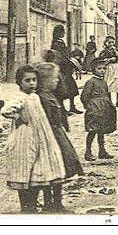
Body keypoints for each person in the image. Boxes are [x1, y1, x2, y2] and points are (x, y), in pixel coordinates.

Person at [0, 65, 66, 213]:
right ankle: (27, 207)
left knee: (38, 170)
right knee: (24, 169)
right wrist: (18, 116)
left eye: (34, 80)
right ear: (19, 82)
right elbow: (5, 110)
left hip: (41, 136)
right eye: (27, 80)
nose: (31, 83)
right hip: (25, 137)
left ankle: (33, 205)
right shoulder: (20, 97)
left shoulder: (35, 96)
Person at [34, 61, 84, 213]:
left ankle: (56, 202)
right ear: (45, 81)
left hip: (57, 134)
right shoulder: (41, 98)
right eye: (54, 78)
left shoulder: (50, 95)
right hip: (50, 137)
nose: (57, 81)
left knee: (59, 169)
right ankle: (51, 203)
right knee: (52, 169)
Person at [80, 59, 117, 161]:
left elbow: (107, 95)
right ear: (93, 70)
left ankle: (102, 151)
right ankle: (88, 152)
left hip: (104, 110)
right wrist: (89, 106)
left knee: (101, 131)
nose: (102, 71)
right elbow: (84, 96)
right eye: (99, 68)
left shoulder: (104, 82)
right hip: (94, 110)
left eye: (104, 68)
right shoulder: (91, 82)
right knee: (92, 131)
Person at [50, 25, 82, 115]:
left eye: (63, 31)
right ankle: (62, 109)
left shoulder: (61, 42)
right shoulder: (55, 43)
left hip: (66, 69)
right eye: (61, 32)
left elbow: (66, 54)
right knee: (62, 90)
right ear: (56, 33)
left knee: (72, 88)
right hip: (61, 69)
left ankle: (72, 106)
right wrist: (67, 62)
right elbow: (58, 56)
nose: (63, 33)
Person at [96, 36, 118, 107]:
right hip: (109, 68)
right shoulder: (104, 52)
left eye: (112, 42)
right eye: (109, 42)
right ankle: (109, 101)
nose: (111, 44)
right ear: (105, 43)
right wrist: (109, 60)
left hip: (116, 67)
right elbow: (101, 60)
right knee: (108, 84)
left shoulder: (115, 51)